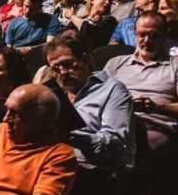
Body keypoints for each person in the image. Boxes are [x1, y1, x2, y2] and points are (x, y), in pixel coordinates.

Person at [104, 13, 178, 151]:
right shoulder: (115, 64)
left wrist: (156, 107)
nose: (147, 40)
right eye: (141, 35)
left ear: (165, 36)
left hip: (153, 127)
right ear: (135, 35)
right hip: (115, 125)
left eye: (154, 36)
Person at [44, 36, 135, 173]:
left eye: (68, 64)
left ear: (85, 60)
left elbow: (115, 146)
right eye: (56, 69)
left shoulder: (112, 89)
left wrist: (72, 138)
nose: (62, 73)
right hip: (55, 164)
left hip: (96, 170)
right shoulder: (56, 96)